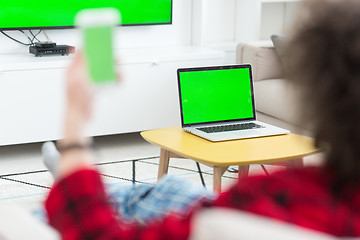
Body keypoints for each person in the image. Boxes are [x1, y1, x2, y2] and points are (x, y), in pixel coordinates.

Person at [45, 0, 360, 238]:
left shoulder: (265, 203)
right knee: (177, 191)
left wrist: (75, 127)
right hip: (209, 203)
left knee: (157, 194)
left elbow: (96, 232)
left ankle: (72, 177)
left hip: (209, 211)